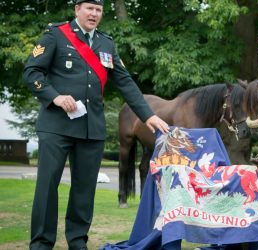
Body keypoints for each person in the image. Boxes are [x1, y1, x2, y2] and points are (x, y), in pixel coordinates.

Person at [23, 1, 169, 249]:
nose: (94, 14)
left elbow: (126, 83)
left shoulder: (106, 43)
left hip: (91, 128)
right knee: (47, 188)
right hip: (55, 126)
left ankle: (78, 242)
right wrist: (55, 96)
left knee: (84, 191)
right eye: (89, 8)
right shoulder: (55, 35)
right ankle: (41, 244)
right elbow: (31, 72)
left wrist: (148, 115)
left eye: (98, 10)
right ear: (77, 9)